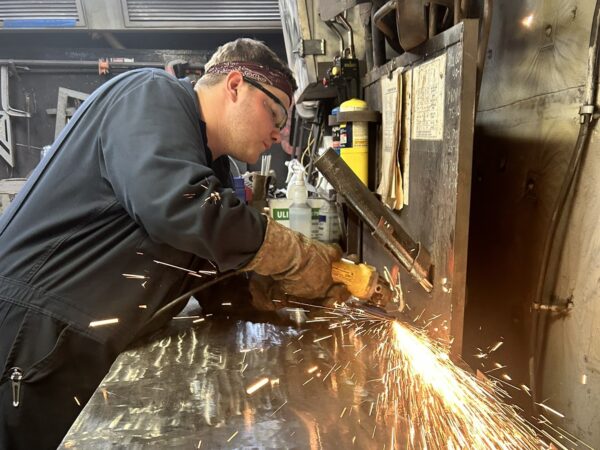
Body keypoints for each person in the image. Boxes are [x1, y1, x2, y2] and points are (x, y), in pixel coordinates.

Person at [0, 38, 347, 449]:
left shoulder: (209, 164)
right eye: (274, 113)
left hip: (77, 342)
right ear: (235, 85)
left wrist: (266, 292)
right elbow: (177, 205)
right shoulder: (150, 94)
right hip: (30, 337)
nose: (276, 133)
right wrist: (295, 257)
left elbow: (203, 268)